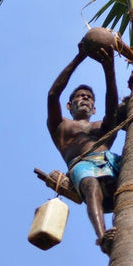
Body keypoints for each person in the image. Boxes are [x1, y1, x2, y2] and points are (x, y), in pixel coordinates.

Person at [47, 43, 121, 251]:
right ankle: (103, 237)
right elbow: (53, 95)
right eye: (79, 96)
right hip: (82, 166)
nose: (85, 98)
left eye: (89, 97)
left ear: (94, 108)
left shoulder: (102, 126)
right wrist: (79, 57)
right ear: (69, 106)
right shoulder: (60, 126)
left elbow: (113, 107)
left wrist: (109, 68)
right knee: (90, 185)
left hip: (111, 162)